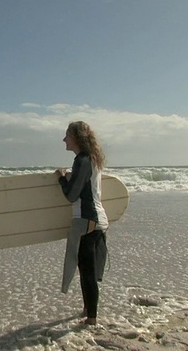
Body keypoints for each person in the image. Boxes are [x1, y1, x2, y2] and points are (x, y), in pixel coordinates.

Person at [55, 121, 109, 326]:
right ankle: (88, 311)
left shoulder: (82, 160)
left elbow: (71, 195)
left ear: (76, 138)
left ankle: (92, 319)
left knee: (87, 272)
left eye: (66, 135)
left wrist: (61, 178)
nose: (64, 139)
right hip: (98, 221)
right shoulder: (93, 160)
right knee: (88, 270)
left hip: (87, 221)